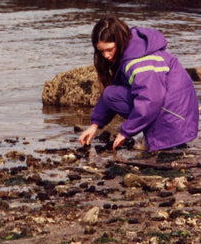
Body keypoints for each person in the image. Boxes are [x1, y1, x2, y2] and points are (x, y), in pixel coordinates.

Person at [79, 16, 199, 152]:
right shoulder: (134, 50)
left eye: (109, 49)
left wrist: (126, 131)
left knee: (112, 94)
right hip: (178, 116)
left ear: (119, 41)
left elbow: (151, 100)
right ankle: (154, 134)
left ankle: (161, 138)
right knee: (111, 93)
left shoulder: (139, 62)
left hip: (174, 119)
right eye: (101, 51)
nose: (106, 55)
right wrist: (95, 124)